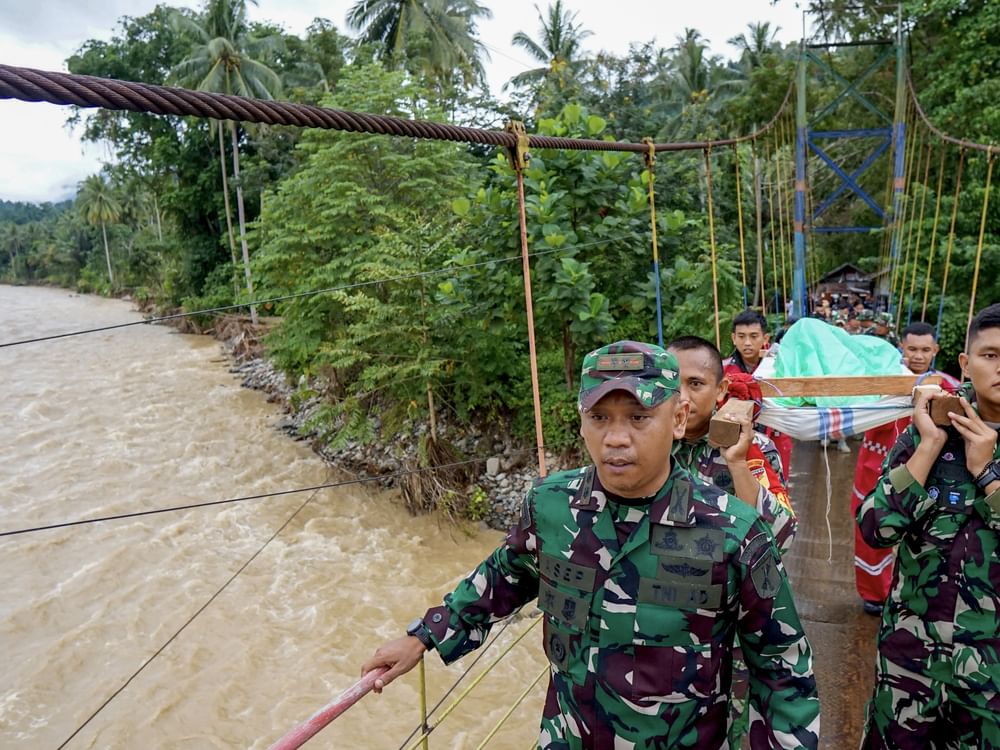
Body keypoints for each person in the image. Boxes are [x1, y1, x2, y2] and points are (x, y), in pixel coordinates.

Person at [362, 341, 821, 750]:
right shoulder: (551, 506)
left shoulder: (732, 529)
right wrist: (422, 636)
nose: (616, 438)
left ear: (677, 419)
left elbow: (781, 664)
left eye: (639, 418)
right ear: (582, 422)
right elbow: (505, 575)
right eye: (599, 418)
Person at [857, 304, 1000, 747]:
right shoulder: (929, 429)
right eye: (990, 355)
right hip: (908, 661)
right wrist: (931, 446)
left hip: (990, 675)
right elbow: (875, 528)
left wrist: (987, 474)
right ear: (964, 363)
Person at [668, 335, 799, 747]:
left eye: (695, 384)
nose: (683, 397)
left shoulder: (750, 448)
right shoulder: (650, 445)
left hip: (726, 628)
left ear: (721, 389)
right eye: (673, 384)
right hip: (664, 622)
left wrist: (738, 464)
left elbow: (779, 536)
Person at [851, 322, 960, 615]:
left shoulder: (947, 387)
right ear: (902, 348)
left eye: (925, 349)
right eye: (912, 348)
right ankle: (874, 594)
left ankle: (918, 593)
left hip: (924, 471)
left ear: (935, 350)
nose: (918, 355)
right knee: (872, 525)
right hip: (874, 463)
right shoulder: (881, 380)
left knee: (924, 532)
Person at [724, 309, 794, 476]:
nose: (747, 342)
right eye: (741, 336)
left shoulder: (780, 369)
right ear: (734, 338)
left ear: (765, 338)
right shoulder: (723, 371)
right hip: (735, 440)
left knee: (776, 486)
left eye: (754, 336)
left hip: (775, 435)